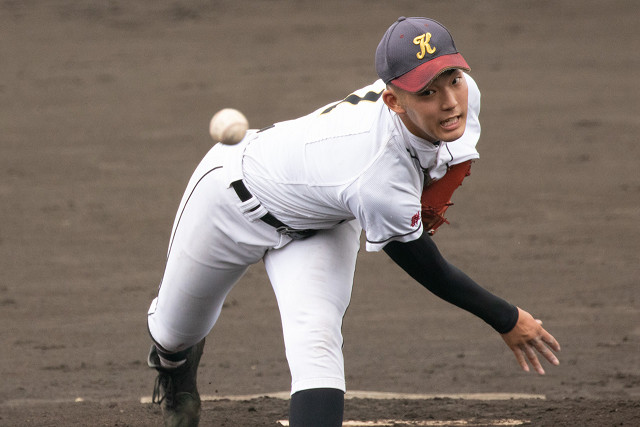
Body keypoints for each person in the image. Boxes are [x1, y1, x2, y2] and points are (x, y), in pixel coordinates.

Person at [146, 16, 561, 427]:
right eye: (428, 91)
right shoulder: (378, 176)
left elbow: (453, 153)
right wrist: (506, 318)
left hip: (325, 222)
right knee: (174, 332)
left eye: (452, 77)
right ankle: (176, 368)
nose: (450, 101)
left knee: (317, 344)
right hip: (229, 202)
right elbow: (427, 266)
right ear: (394, 100)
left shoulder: (463, 97)